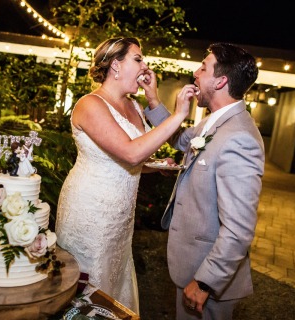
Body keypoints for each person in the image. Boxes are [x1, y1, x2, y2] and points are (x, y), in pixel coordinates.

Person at [55, 37, 190, 313]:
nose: (145, 65)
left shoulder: (135, 107)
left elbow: (135, 158)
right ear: (116, 65)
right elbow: (129, 153)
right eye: (138, 59)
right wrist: (178, 115)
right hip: (90, 211)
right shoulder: (89, 105)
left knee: (114, 280)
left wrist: (156, 165)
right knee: (89, 285)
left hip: (121, 218)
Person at [143, 43, 265, 319]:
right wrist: (153, 100)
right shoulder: (214, 123)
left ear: (221, 80)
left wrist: (205, 281)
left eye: (203, 67)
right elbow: (181, 141)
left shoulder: (240, 138)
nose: (195, 73)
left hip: (206, 277)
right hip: (191, 265)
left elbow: (239, 228)